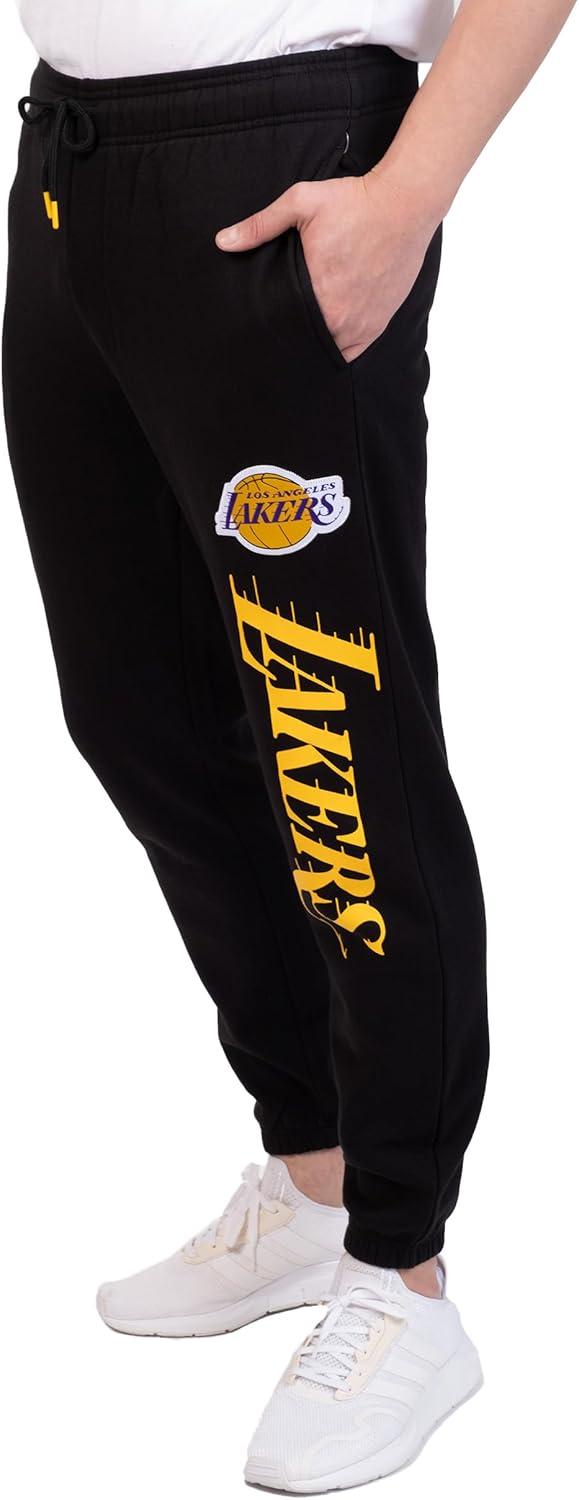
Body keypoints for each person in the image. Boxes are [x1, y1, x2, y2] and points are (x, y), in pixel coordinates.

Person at [3, 0, 574, 1490]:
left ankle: (403, 1265)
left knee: (334, 734)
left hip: (284, 160)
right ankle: (315, 1176)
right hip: (71, 161)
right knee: (137, 714)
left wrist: (410, 192)